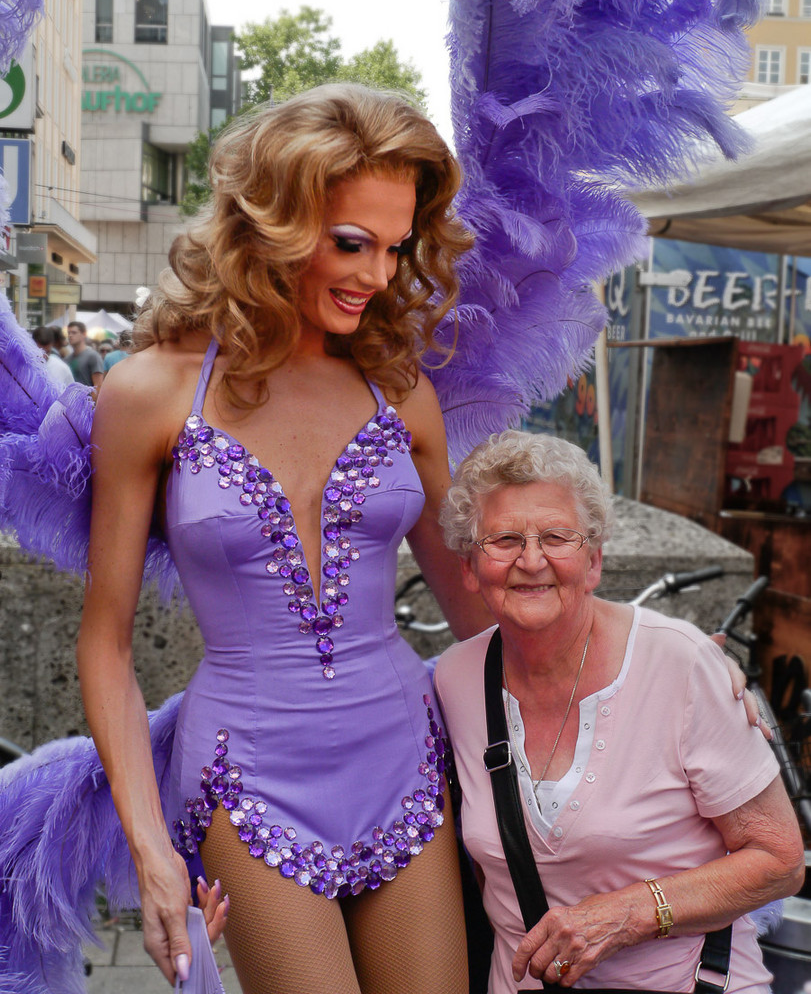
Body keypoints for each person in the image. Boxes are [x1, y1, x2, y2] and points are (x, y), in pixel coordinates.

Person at [77, 84, 490, 994]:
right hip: (245, 779)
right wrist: (150, 849)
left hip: (405, 761)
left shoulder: (400, 391)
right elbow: (103, 642)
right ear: (272, 224)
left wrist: (651, 673)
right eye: (351, 243)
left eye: (395, 248)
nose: (378, 276)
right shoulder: (150, 392)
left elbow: (477, 606)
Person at [435, 431, 805, 994]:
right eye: (504, 539)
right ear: (469, 567)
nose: (531, 560)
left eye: (557, 537)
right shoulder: (452, 680)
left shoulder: (679, 664)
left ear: (594, 561)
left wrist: (630, 914)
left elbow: (780, 862)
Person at [66, 320, 104, 392]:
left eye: (74, 333)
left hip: (87, 400)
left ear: (84, 334)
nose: (70, 335)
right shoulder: (67, 359)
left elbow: (98, 386)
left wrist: (92, 402)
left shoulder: (93, 356)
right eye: (69, 333)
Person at [31, 325, 73, 389]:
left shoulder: (62, 368)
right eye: (40, 352)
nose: (43, 356)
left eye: (47, 352)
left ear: (52, 345)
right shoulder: (24, 367)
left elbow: (72, 396)